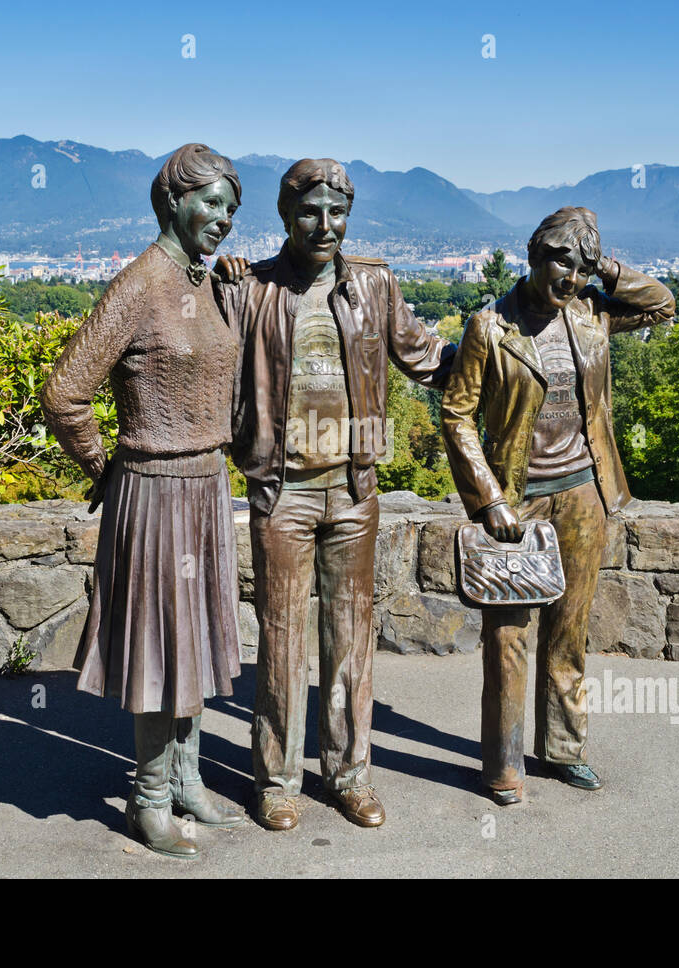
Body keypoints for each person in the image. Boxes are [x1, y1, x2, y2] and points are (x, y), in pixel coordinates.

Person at [215, 159, 455, 831]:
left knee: (349, 638)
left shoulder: (373, 287)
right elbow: (200, 358)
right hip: (281, 489)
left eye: (337, 212)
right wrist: (213, 277)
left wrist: (498, 342)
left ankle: (349, 775)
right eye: (311, 211)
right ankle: (277, 780)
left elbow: (427, 356)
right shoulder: (252, 289)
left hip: (353, 489)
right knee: (284, 639)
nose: (325, 225)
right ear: (286, 215)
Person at [40, 143, 245, 858]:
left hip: (207, 487)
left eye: (229, 208)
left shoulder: (210, 283)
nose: (220, 219)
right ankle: (148, 797)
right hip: (154, 492)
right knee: (161, 644)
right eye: (209, 203)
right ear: (171, 201)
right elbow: (65, 392)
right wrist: (104, 467)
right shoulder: (139, 285)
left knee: (196, 635)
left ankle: (186, 779)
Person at [440, 207, 674, 805]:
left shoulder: (592, 312)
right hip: (517, 502)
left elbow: (662, 303)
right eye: (560, 260)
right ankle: (502, 763)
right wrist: (488, 496)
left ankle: (566, 750)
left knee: (569, 631)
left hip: (584, 493)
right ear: (533, 255)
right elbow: (457, 414)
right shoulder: (489, 327)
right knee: (508, 636)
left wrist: (608, 268)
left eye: (581, 265)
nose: (569, 276)